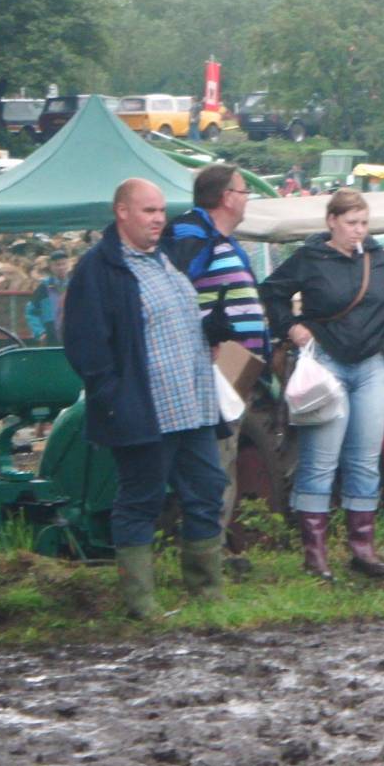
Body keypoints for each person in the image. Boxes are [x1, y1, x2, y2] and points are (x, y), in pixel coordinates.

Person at [62, 179, 229, 619]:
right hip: (143, 410)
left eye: (161, 211)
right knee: (141, 500)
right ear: (122, 212)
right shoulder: (99, 269)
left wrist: (210, 332)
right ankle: (140, 602)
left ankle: (207, 592)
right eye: (148, 211)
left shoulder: (167, 260)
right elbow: (84, 344)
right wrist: (113, 398)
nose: (158, 219)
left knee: (208, 490)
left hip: (192, 405)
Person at [260, 189, 384, 583]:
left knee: (363, 458)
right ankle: (316, 554)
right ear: (331, 222)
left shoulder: (379, 259)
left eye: (363, 223)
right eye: (351, 223)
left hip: (372, 365)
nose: (358, 231)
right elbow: (271, 291)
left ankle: (362, 547)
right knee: (320, 460)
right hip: (326, 364)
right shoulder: (311, 259)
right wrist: (291, 327)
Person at [167, 164, 270, 540]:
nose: (246, 200)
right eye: (244, 192)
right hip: (213, 369)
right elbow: (175, 294)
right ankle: (207, 550)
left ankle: (215, 545)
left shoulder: (223, 240)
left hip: (236, 369)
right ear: (227, 198)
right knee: (215, 462)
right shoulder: (193, 237)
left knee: (226, 461)